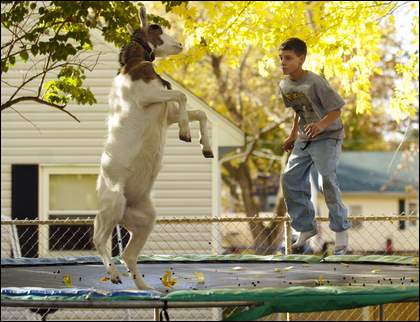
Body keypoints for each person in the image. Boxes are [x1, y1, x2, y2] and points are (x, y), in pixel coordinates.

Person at [278, 37, 351, 255]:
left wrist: (320, 126)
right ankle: (305, 228)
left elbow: (336, 110)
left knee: (325, 180)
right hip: (304, 137)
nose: (283, 62)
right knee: (289, 178)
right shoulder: (284, 85)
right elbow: (298, 111)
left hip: (328, 135)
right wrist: (292, 135)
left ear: (301, 59)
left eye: (288, 58)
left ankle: (340, 231)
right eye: (281, 58)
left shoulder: (315, 82)